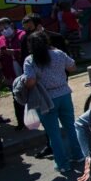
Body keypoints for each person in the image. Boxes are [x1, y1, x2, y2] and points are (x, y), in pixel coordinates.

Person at [23, 31, 83, 173]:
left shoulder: (30, 60)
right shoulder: (58, 53)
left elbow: (30, 82)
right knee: (70, 127)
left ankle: (62, 164)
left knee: (54, 134)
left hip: (45, 99)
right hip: (64, 94)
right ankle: (78, 155)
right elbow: (72, 67)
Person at [0, 18, 27, 130]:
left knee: (32, 96)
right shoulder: (0, 40)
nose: (4, 31)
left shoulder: (22, 35)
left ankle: (37, 118)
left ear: (11, 25)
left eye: (5, 28)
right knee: (16, 98)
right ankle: (21, 122)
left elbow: (27, 51)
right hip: (10, 74)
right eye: (0, 30)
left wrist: (14, 52)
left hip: (24, 70)